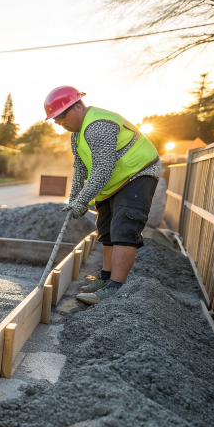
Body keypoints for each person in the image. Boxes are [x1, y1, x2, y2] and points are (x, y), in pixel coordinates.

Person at [44, 86, 161, 304]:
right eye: (56, 120)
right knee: (106, 230)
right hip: (112, 182)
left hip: (137, 173)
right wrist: (74, 199)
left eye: (61, 117)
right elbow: (80, 168)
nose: (60, 123)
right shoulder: (76, 134)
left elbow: (102, 169)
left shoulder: (99, 126)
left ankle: (115, 288)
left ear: (78, 107)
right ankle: (106, 279)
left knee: (124, 228)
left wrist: (83, 201)